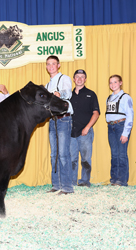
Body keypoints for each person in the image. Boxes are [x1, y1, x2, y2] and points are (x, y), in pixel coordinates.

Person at [45, 55, 74, 195]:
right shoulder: (47, 85)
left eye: (53, 63)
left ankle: (67, 187)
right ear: (46, 66)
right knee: (54, 154)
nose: (51, 66)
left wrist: (59, 93)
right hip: (53, 120)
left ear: (58, 65)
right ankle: (56, 185)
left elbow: (68, 92)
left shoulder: (64, 79)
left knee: (63, 154)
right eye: (48, 64)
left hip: (64, 119)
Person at [70, 69, 100, 187]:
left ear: (85, 79)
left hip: (85, 132)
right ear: (74, 79)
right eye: (77, 76)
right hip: (71, 133)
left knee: (86, 159)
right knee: (72, 159)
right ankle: (72, 182)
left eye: (82, 77)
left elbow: (96, 113)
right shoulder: (68, 94)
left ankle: (84, 182)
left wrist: (87, 127)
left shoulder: (91, 94)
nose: (79, 79)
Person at [106, 75, 134, 186]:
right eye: (111, 83)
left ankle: (122, 180)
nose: (113, 85)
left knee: (122, 154)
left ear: (120, 83)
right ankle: (114, 179)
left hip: (121, 126)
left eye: (115, 82)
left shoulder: (125, 97)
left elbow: (130, 115)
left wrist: (125, 132)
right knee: (114, 154)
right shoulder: (109, 98)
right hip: (111, 127)